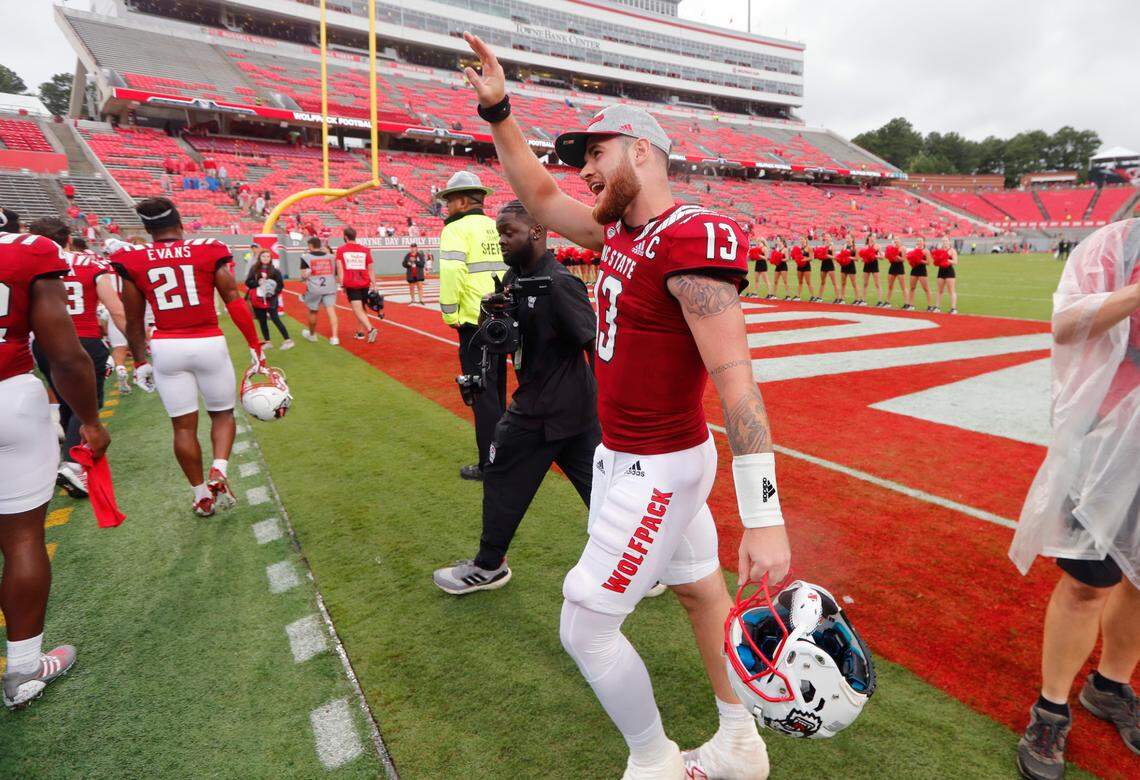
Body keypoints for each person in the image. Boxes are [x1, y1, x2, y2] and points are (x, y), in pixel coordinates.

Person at [464, 33, 789, 780]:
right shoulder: (620, 230)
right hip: (626, 454)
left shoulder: (692, 236)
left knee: (585, 622)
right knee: (702, 592)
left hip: (661, 464)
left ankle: (654, 762)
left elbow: (737, 381)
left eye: (595, 155)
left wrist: (764, 515)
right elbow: (541, 199)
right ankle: (740, 741)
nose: (582, 171)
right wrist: (500, 112)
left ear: (641, 152)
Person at [1009, 219, 1140, 780]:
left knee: (1139, 579)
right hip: (1107, 436)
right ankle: (1052, 707)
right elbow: (1066, 325)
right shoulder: (1118, 246)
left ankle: (1111, 685)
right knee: (1089, 582)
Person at [433, 200, 600, 593]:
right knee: (602, 492)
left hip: (543, 409)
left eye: (509, 232)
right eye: (499, 233)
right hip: (570, 408)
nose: (502, 240)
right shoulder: (513, 277)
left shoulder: (559, 283)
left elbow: (595, 343)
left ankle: (489, 566)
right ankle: (647, 569)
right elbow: (513, 339)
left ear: (537, 232)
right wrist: (496, 314)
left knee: (501, 474)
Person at [0, 219, 110, 710]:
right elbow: (65, 357)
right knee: (22, 537)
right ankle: (22, 668)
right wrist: (89, 420)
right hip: (9, 398)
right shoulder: (27, 252)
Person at [112, 197, 266, 517]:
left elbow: (133, 317)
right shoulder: (208, 248)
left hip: (167, 347)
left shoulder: (133, 258)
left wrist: (140, 361)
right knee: (222, 415)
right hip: (208, 341)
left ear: (147, 229)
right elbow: (233, 299)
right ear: (180, 224)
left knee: (183, 428)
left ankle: (200, 496)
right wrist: (254, 343)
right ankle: (219, 468)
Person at [25, 220, 139, 499]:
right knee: (86, 404)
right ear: (67, 239)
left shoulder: (26, 264)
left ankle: (68, 460)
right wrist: (140, 347)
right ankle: (74, 465)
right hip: (83, 339)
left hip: (43, 342)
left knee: (65, 400)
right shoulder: (89, 263)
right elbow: (116, 309)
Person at [437, 169, 506, 481]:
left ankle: (490, 464)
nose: (446, 208)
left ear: (462, 201)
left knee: (482, 394)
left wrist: (450, 315)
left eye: (449, 201)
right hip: (500, 319)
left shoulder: (455, 229)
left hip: (473, 323)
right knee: (499, 391)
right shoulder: (495, 227)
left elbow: (452, 274)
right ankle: (504, 455)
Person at [335, 226, 378, 342]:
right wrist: (374, 284)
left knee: (357, 309)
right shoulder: (365, 250)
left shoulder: (341, 250)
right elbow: (371, 269)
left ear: (345, 237)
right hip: (364, 282)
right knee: (362, 308)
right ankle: (360, 332)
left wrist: (342, 284)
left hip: (351, 283)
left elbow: (340, 269)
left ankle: (370, 329)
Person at [245, 249, 293, 350]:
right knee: (262, 321)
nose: (265, 258)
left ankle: (288, 340)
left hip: (271, 300)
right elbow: (248, 282)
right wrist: (259, 282)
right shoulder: (254, 269)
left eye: (268, 256)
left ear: (271, 258)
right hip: (257, 299)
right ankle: (268, 342)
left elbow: (280, 285)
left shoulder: (275, 270)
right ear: (260, 257)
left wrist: (272, 293)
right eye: (263, 256)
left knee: (275, 319)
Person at [299, 236, 339, 345]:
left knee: (313, 311)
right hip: (330, 287)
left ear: (311, 246)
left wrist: (307, 274)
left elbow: (303, 276)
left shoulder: (305, 257)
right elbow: (335, 273)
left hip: (315, 288)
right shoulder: (331, 257)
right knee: (331, 311)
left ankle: (312, 335)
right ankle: (335, 337)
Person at [932, 237, 958, 314]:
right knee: (940, 290)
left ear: (949, 242)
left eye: (946, 241)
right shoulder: (940, 250)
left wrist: (946, 259)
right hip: (941, 271)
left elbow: (955, 262)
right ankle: (937, 307)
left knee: (951, 291)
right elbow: (936, 261)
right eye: (943, 241)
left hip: (949, 272)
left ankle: (953, 308)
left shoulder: (952, 250)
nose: (945, 242)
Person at [905, 238, 933, 311]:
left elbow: (929, 262)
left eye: (920, 241)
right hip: (914, 270)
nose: (919, 242)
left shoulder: (926, 251)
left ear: (923, 242)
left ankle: (930, 306)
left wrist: (920, 260)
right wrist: (911, 261)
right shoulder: (914, 250)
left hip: (922, 271)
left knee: (926, 289)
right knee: (912, 288)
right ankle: (911, 305)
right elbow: (910, 260)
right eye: (917, 241)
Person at [860, 236, 885, 307]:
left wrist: (875, 256)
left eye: (873, 238)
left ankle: (880, 301)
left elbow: (882, 257)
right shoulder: (865, 247)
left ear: (875, 239)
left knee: (877, 284)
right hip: (867, 265)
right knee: (865, 284)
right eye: (870, 238)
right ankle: (863, 300)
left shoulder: (877, 246)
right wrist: (864, 258)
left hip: (874, 265)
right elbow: (862, 258)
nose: (872, 239)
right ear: (868, 239)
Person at [837, 238, 862, 305]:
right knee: (843, 283)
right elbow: (840, 256)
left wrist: (849, 257)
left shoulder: (855, 248)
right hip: (844, 266)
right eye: (847, 238)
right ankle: (842, 298)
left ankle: (857, 299)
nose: (847, 239)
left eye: (849, 238)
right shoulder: (843, 246)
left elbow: (857, 259)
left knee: (854, 283)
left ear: (852, 239)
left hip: (851, 266)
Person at [884, 236, 906, 308]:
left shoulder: (902, 248)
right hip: (892, 267)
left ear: (900, 240)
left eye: (897, 239)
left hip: (900, 267)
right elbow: (888, 257)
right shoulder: (891, 247)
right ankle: (887, 302)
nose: (896, 240)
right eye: (895, 239)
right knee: (890, 286)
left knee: (903, 287)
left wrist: (897, 257)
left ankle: (907, 303)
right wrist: (890, 256)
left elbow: (903, 259)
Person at [815, 238, 838, 303]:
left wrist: (827, 255)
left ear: (830, 239)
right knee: (822, 282)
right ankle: (820, 297)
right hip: (823, 265)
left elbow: (835, 257)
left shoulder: (832, 247)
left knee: (834, 283)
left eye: (828, 237)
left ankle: (838, 298)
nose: (827, 239)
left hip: (830, 265)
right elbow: (820, 256)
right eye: (826, 238)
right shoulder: (823, 246)